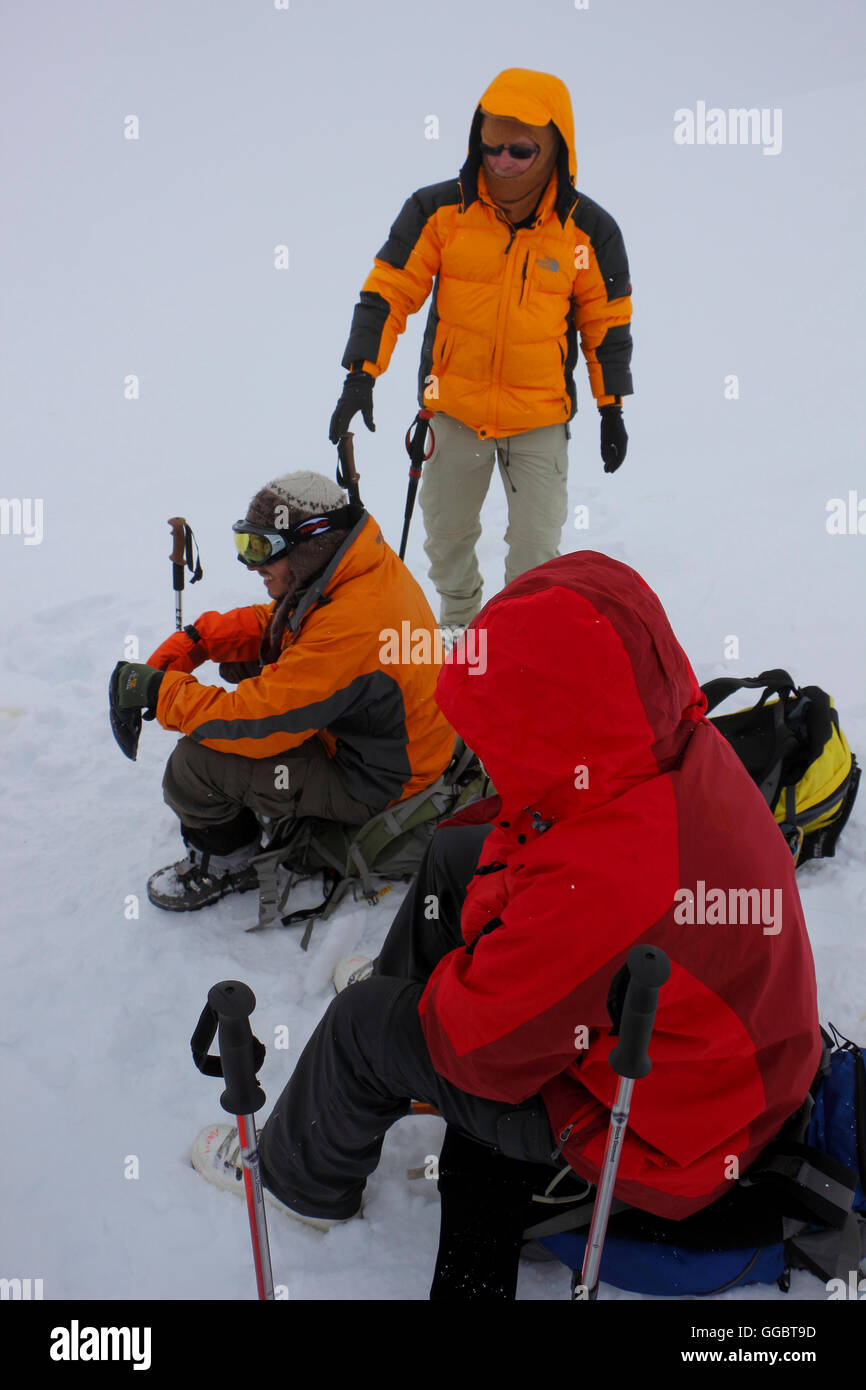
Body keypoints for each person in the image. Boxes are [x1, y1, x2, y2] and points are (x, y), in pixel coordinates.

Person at [190, 550, 822, 1293]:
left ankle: (299, 1182)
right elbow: (541, 847)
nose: (486, 750)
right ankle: (402, 1014)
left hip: (667, 1134)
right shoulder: (664, 745)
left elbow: (478, 1052)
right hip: (721, 1059)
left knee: (365, 1024)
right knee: (459, 850)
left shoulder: (612, 880)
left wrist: (455, 991)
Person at [329, 67, 633, 637]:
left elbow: (606, 325)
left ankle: (520, 651)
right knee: (446, 541)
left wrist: (611, 406)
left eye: (521, 150)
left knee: (537, 554)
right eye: (491, 146)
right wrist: (359, 377)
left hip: (539, 417)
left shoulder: (587, 232)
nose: (503, 161)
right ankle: (462, 642)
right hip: (454, 410)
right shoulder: (439, 212)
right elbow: (387, 291)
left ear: (555, 147)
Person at [113, 470, 456, 910]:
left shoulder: (356, 620)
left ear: (312, 544)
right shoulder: (354, 565)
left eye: (261, 549)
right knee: (248, 658)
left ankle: (230, 863)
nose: (252, 565)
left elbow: (257, 724)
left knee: (194, 766)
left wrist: (161, 693)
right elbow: (287, 622)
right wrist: (199, 641)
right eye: (245, 545)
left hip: (376, 779)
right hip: (383, 738)